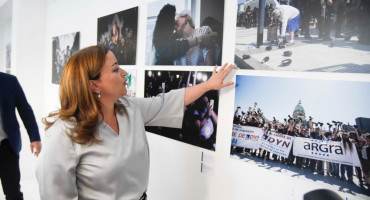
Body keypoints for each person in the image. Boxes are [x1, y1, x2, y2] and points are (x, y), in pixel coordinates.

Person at [36, 45, 234, 199]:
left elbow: (166, 103)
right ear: (94, 85)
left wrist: (208, 85)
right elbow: (55, 194)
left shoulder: (128, 108)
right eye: (115, 70)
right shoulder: (64, 134)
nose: (124, 73)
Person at [0, 72, 42, 200]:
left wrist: (35, 137)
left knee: (13, 192)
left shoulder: (9, 81)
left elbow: (25, 110)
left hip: (7, 146)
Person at [152, 4, 216, 65]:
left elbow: (209, 65)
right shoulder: (175, 41)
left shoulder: (203, 31)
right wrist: (200, 39)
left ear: (186, 18)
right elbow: (168, 49)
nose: (174, 23)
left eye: (177, 18)